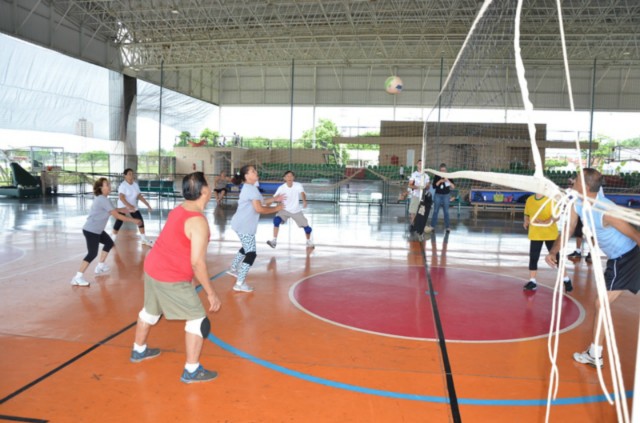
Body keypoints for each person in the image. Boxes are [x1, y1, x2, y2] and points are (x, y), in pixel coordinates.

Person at [130, 172, 222, 383]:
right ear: (205, 191)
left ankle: (139, 350)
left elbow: (174, 243)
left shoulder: (179, 209)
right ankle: (191, 370)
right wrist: (211, 293)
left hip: (153, 267)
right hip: (170, 276)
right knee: (199, 321)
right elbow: (197, 262)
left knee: (150, 311)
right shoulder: (198, 222)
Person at [546, 168, 640, 368]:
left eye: (577, 180)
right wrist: (554, 252)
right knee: (601, 304)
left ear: (586, 187)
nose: (572, 181)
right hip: (619, 259)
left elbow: (636, 237)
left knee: (601, 304)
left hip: (628, 258)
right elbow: (569, 229)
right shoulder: (577, 204)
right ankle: (594, 353)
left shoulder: (606, 211)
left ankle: (595, 354)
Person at [71, 178, 141, 286]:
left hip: (97, 230)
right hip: (91, 230)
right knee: (92, 253)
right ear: (100, 188)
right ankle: (77, 277)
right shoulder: (102, 199)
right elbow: (116, 215)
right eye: (106, 185)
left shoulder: (104, 199)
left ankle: (100, 266)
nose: (109, 186)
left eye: (109, 184)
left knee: (109, 243)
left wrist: (125, 210)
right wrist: (134, 220)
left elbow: (114, 209)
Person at [227, 165, 285, 293]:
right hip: (244, 226)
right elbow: (259, 209)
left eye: (255, 170)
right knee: (251, 254)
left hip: (240, 224)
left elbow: (261, 202)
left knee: (245, 247)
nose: (256, 172)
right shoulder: (251, 189)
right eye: (253, 171)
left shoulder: (251, 188)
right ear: (247, 176)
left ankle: (233, 268)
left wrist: (275, 199)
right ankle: (239, 283)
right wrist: (276, 208)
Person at [522, 193, 572, 292]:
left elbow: (556, 216)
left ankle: (566, 279)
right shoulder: (530, 199)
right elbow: (526, 214)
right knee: (533, 257)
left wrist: (546, 222)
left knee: (557, 258)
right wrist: (526, 221)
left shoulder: (551, 199)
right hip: (535, 233)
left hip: (550, 234)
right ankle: (532, 281)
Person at [266, 170, 314, 249]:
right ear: (284, 178)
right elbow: (274, 197)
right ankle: (274, 241)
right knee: (276, 220)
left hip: (296, 210)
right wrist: (269, 204)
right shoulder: (281, 188)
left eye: (291, 176)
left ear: (293, 178)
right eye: (287, 176)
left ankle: (308, 241)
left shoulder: (298, 185)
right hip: (284, 209)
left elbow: (302, 193)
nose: (289, 177)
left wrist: (304, 201)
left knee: (308, 229)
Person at [113, 168, 153, 246]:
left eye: (132, 174)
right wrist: (129, 206)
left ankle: (143, 239)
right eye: (129, 174)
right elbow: (122, 198)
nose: (131, 175)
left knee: (140, 220)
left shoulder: (135, 185)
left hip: (133, 207)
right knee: (119, 221)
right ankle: (112, 239)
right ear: (125, 176)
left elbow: (139, 196)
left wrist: (147, 205)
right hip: (123, 206)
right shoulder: (123, 186)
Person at [566, 174, 591, 263]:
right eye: (569, 183)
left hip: (589, 213)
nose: (570, 185)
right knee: (578, 232)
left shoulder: (590, 188)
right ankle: (578, 251)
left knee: (591, 234)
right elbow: (569, 199)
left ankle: (591, 252)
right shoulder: (571, 191)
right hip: (579, 212)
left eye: (572, 183)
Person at [408, 159, 432, 233]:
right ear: (417, 165)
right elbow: (410, 185)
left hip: (423, 197)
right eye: (419, 163)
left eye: (422, 164)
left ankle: (420, 227)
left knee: (421, 213)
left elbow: (428, 186)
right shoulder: (414, 174)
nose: (420, 165)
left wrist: (425, 186)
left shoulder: (426, 175)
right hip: (415, 196)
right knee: (413, 213)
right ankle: (413, 226)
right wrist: (418, 187)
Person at [430, 163, 455, 232]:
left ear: (446, 170)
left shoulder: (449, 176)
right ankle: (432, 226)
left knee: (446, 212)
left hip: (446, 196)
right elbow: (434, 186)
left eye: (444, 170)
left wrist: (448, 180)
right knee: (435, 211)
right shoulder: (437, 176)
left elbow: (453, 187)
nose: (442, 172)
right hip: (437, 195)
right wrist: (440, 181)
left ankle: (447, 227)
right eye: (441, 171)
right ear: (439, 170)